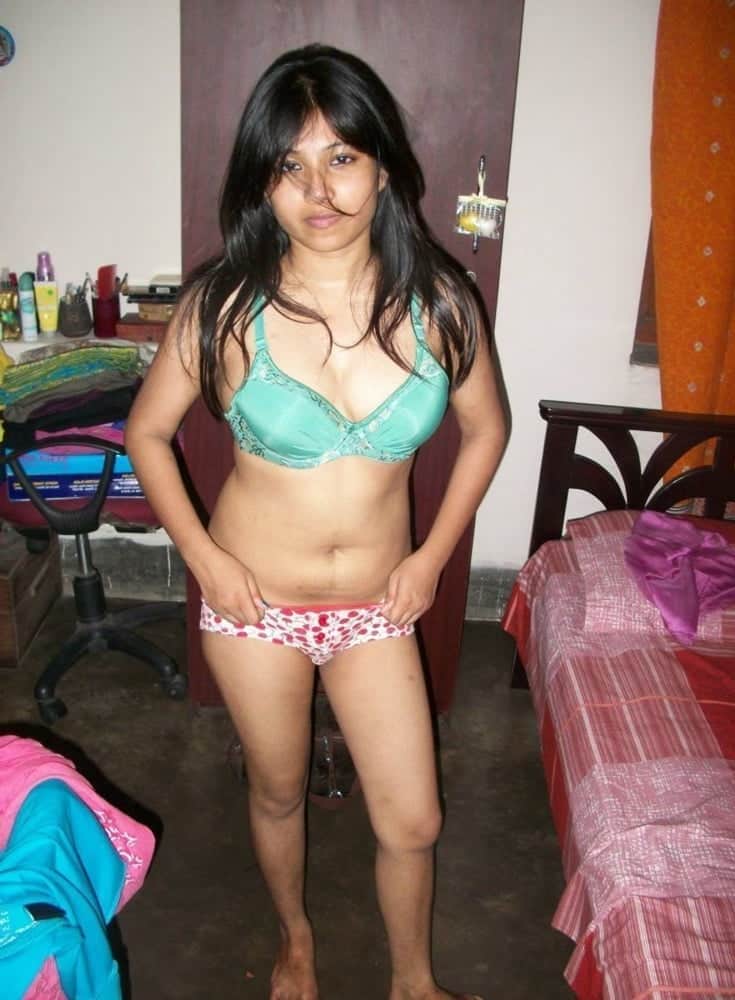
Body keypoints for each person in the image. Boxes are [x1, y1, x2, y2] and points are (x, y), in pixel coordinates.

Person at [125, 43, 508, 1000]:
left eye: (341, 157)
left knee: (413, 819)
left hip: (378, 604)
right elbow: (147, 434)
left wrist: (430, 557)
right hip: (255, 603)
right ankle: (296, 938)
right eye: (289, 165)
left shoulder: (441, 304)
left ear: (383, 168)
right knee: (278, 788)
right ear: (263, 183)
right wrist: (206, 560)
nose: (318, 189)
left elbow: (488, 429)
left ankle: (413, 983)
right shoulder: (223, 306)